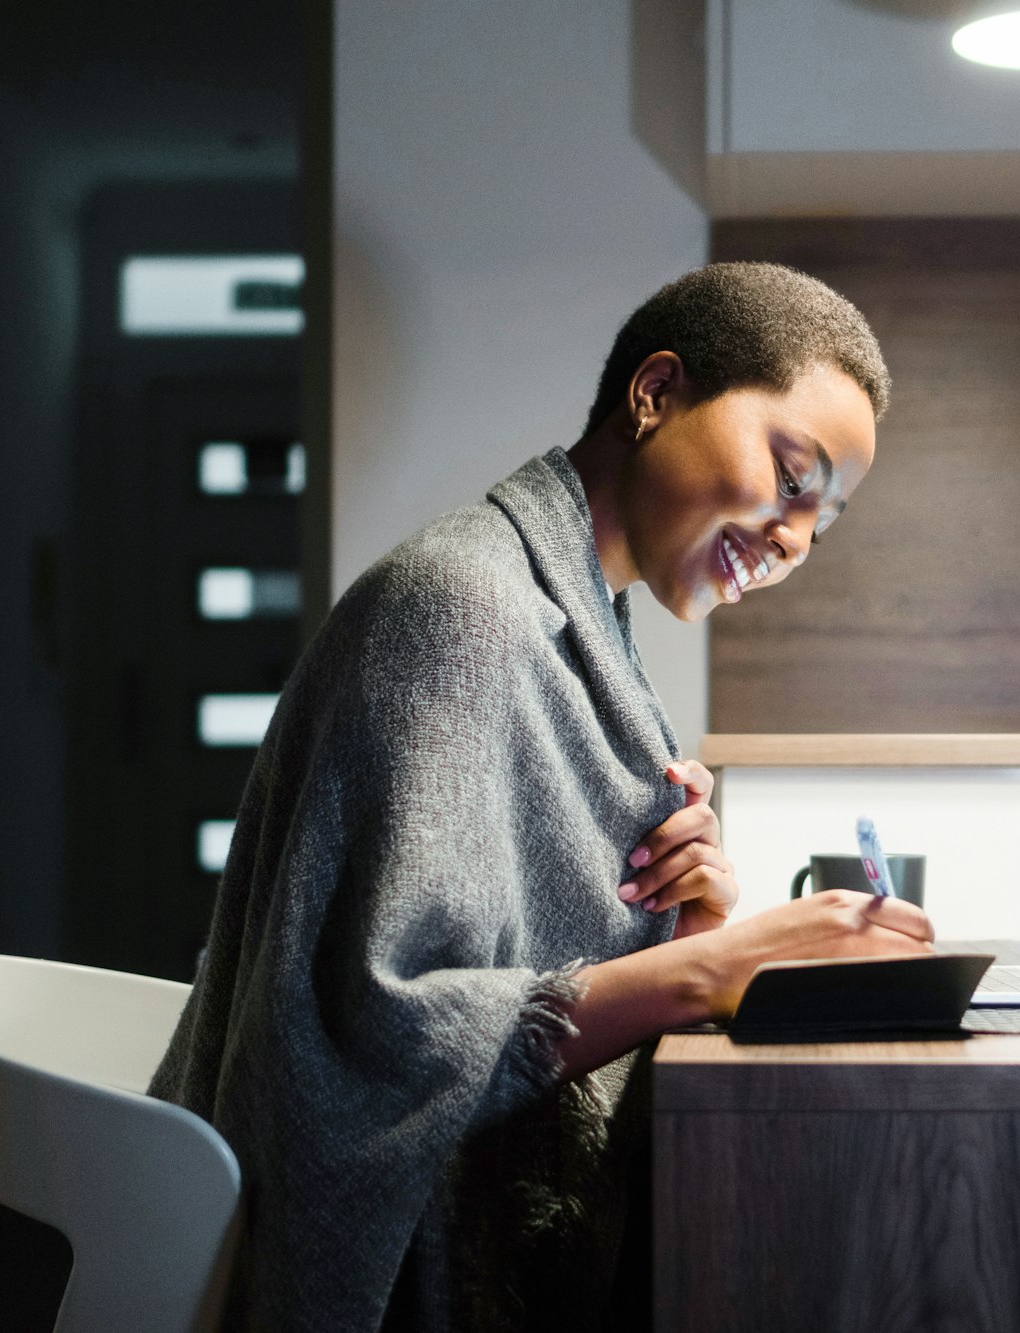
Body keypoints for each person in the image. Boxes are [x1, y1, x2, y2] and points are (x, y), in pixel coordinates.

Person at [149, 262, 936, 1332]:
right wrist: (707, 968)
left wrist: (690, 920)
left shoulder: (580, 623)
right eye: (791, 477)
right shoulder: (461, 604)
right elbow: (378, 1035)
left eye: (823, 522)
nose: (795, 537)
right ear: (652, 394)